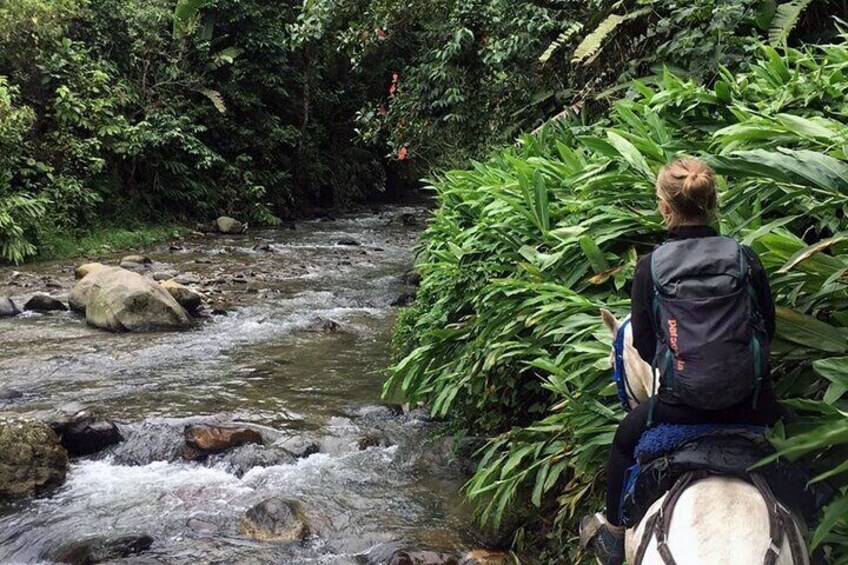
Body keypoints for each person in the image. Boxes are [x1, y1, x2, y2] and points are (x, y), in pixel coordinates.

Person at [585, 158, 787, 565]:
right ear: (714, 203)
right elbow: (768, 329)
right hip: (751, 404)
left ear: (664, 207)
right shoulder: (746, 258)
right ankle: (818, 525)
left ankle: (613, 532)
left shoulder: (650, 268)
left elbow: (642, 344)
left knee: (624, 442)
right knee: (800, 449)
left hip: (680, 407)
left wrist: (680, 363)